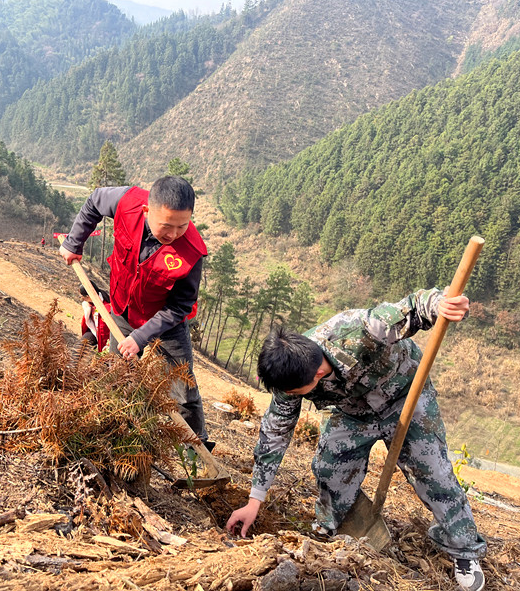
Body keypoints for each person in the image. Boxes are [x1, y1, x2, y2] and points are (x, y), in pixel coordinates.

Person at [225, 288, 488, 591]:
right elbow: (275, 433)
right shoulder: (288, 377)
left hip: (405, 395)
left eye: (298, 393)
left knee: (434, 473)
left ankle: (464, 549)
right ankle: (331, 526)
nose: (291, 398)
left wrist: (441, 304)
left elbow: (414, 308)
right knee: (328, 468)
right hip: (354, 411)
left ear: (318, 374)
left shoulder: (360, 329)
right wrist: (254, 500)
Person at [59, 176, 212, 448]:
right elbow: (94, 201)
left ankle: (196, 452)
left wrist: (140, 338)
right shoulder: (127, 203)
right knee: (119, 375)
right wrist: (74, 243)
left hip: (166, 327)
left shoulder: (192, 252)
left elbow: (180, 306)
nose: (174, 234)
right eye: (167, 225)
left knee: (183, 390)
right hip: (121, 311)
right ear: (146, 211)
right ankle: (122, 437)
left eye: (182, 225)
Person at [79, 280, 111, 352]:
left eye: (82, 296)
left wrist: (109, 345)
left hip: (106, 338)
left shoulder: (108, 308)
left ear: (88, 296)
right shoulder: (89, 305)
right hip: (94, 332)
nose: (82, 299)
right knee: (80, 347)